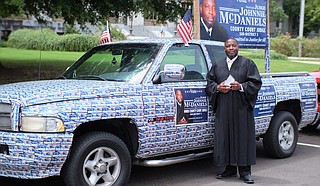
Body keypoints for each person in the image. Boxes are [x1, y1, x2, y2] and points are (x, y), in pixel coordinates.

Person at [206, 38, 262, 184]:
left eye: (233, 45)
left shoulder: (247, 64)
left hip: (241, 108)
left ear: (238, 47)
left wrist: (241, 86)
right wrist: (218, 88)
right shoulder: (217, 65)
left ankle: (245, 172)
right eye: (228, 46)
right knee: (226, 137)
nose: (231, 48)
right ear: (224, 48)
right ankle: (229, 170)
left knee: (242, 138)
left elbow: (256, 83)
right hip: (224, 107)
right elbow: (209, 83)